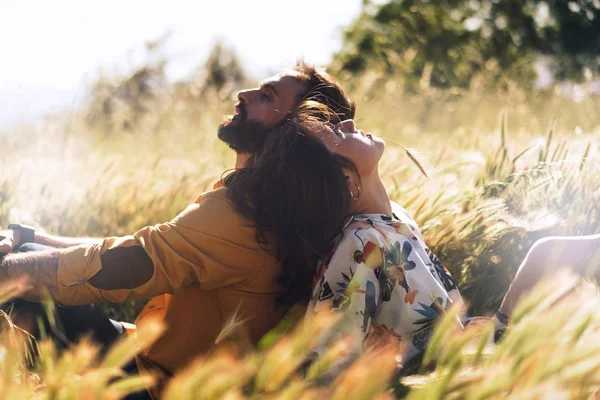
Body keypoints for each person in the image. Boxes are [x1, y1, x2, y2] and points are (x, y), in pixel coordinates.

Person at [0, 62, 355, 399]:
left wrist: (8, 270)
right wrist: (31, 236)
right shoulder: (268, 209)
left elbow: (126, 264)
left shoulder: (242, 218)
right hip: (150, 354)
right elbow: (141, 248)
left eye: (267, 96)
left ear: (298, 130)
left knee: (18, 287)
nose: (243, 94)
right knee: (28, 261)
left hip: (157, 389)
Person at [302, 118, 600, 371]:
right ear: (347, 179)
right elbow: (331, 362)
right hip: (450, 372)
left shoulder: (395, 216)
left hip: (470, 342)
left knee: (547, 256)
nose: (349, 122)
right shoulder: (358, 247)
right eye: (336, 135)